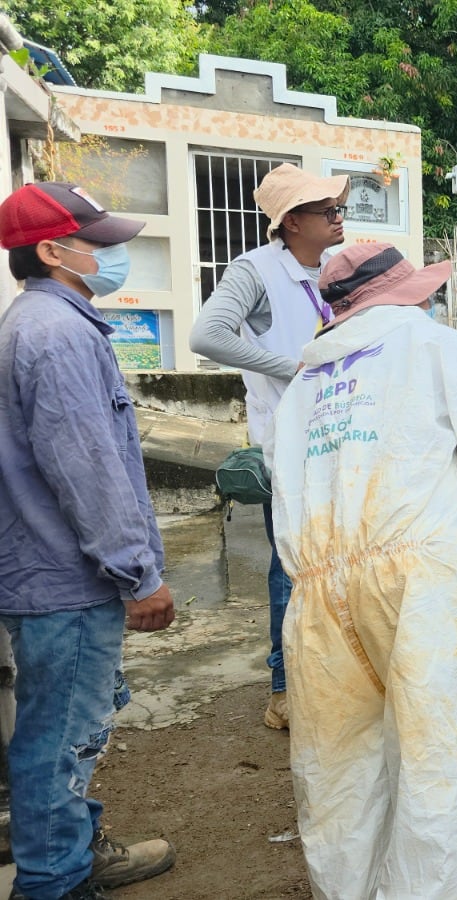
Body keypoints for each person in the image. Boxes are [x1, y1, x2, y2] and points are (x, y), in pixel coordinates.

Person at [265, 243, 457, 899]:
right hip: (427, 585)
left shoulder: (302, 386)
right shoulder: (438, 349)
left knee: (338, 775)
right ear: (406, 294)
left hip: (316, 598)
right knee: (439, 770)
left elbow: (285, 500)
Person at [0, 182, 178, 900]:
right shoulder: (57, 335)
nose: (113, 254)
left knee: (59, 732)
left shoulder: (34, 325)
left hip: (41, 572)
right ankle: (54, 883)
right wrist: (138, 575)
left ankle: (70, 854)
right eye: (99, 242)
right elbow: (88, 468)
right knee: (59, 742)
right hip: (64, 581)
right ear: (52, 250)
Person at [189, 163, 348, 730]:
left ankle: (326, 670)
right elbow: (207, 336)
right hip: (288, 442)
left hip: (339, 434)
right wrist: (295, 368)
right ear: (291, 222)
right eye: (325, 210)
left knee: (338, 558)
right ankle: (283, 688)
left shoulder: (333, 267)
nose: (337, 217)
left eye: (337, 207)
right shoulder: (254, 271)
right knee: (290, 566)